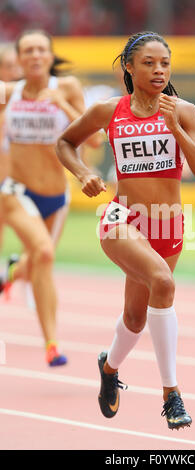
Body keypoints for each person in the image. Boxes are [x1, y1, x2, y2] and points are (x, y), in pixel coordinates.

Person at [56, 31, 195, 429]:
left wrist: (175, 129)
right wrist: (83, 174)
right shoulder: (109, 110)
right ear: (129, 67)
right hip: (122, 218)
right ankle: (172, 394)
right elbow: (64, 142)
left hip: (167, 222)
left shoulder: (185, 111)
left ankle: (108, 369)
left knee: (135, 316)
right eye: (148, 62)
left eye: (164, 63)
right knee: (162, 282)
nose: (158, 70)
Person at [0, 29, 99, 366]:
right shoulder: (8, 93)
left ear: (50, 55)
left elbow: (97, 141)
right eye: (28, 50)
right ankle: (52, 344)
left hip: (57, 196)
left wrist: (66, 106)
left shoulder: (67, 88)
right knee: (43, 254)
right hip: (16, 191)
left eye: (41, 49)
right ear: (19, 58)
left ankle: (12, 273)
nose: (35, 55)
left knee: (38, 261)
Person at [0, 44, 23, 252]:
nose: (16, 72)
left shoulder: (23, 101)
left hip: (15, 183)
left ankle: (15, 272)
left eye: (17, 66)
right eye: (9, 66)